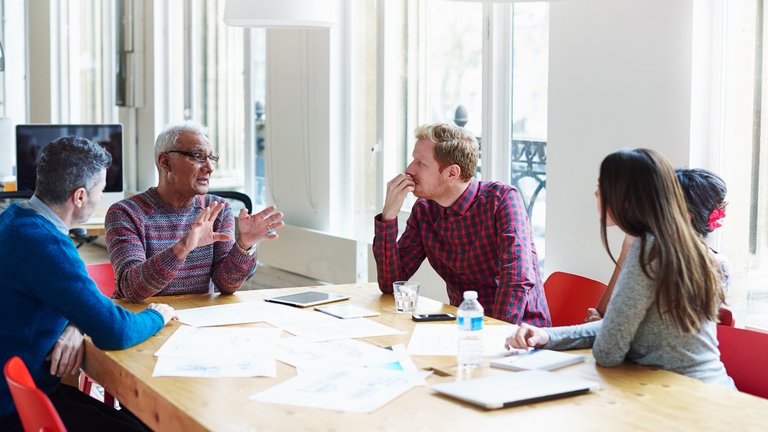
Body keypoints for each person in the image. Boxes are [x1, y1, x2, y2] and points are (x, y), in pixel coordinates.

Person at [506, 148, 734, 388]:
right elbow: (621, 328)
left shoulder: (649, 248)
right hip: (698, 387)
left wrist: (609, 330)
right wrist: (548, 335)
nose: (596, 193)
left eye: (603, 187)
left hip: (685, 395)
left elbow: (608, 351)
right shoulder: (673, 243)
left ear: (626, 198)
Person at [0, 137, 176, 431]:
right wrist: (159, 314)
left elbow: (61, 293)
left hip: (20, 390)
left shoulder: (14, 219)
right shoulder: (47, 245)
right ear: (80, 196)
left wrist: (74, 324)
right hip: (19, 407)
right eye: (101, 190)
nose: (101, 198)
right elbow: (115, 331)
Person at [373, 123, 551, 325]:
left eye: (421, 163)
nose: (409, 169)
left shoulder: (502, 200)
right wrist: (388, 216)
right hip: (464, 327)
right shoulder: (424, 210)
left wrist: (493, 335)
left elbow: (516, 281)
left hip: (519, 333)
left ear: (452, 173)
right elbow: (390, 284)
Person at [106, 122, 284, 303]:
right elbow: (132, 289)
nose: (210, 168)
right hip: (140, 320)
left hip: (194, 319)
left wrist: (244, 245)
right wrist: (183, 247)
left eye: (211, 158)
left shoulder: (218, 209)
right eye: (198, 156)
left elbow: (226, 285)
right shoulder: (124, 213)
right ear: (165, 162)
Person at [585, 168, 730, 322]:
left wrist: (601, 327)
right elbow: (599, 314)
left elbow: (670, 335)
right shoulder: (650, 251)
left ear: (684, 217)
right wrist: (626, 251)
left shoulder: (713, 266)